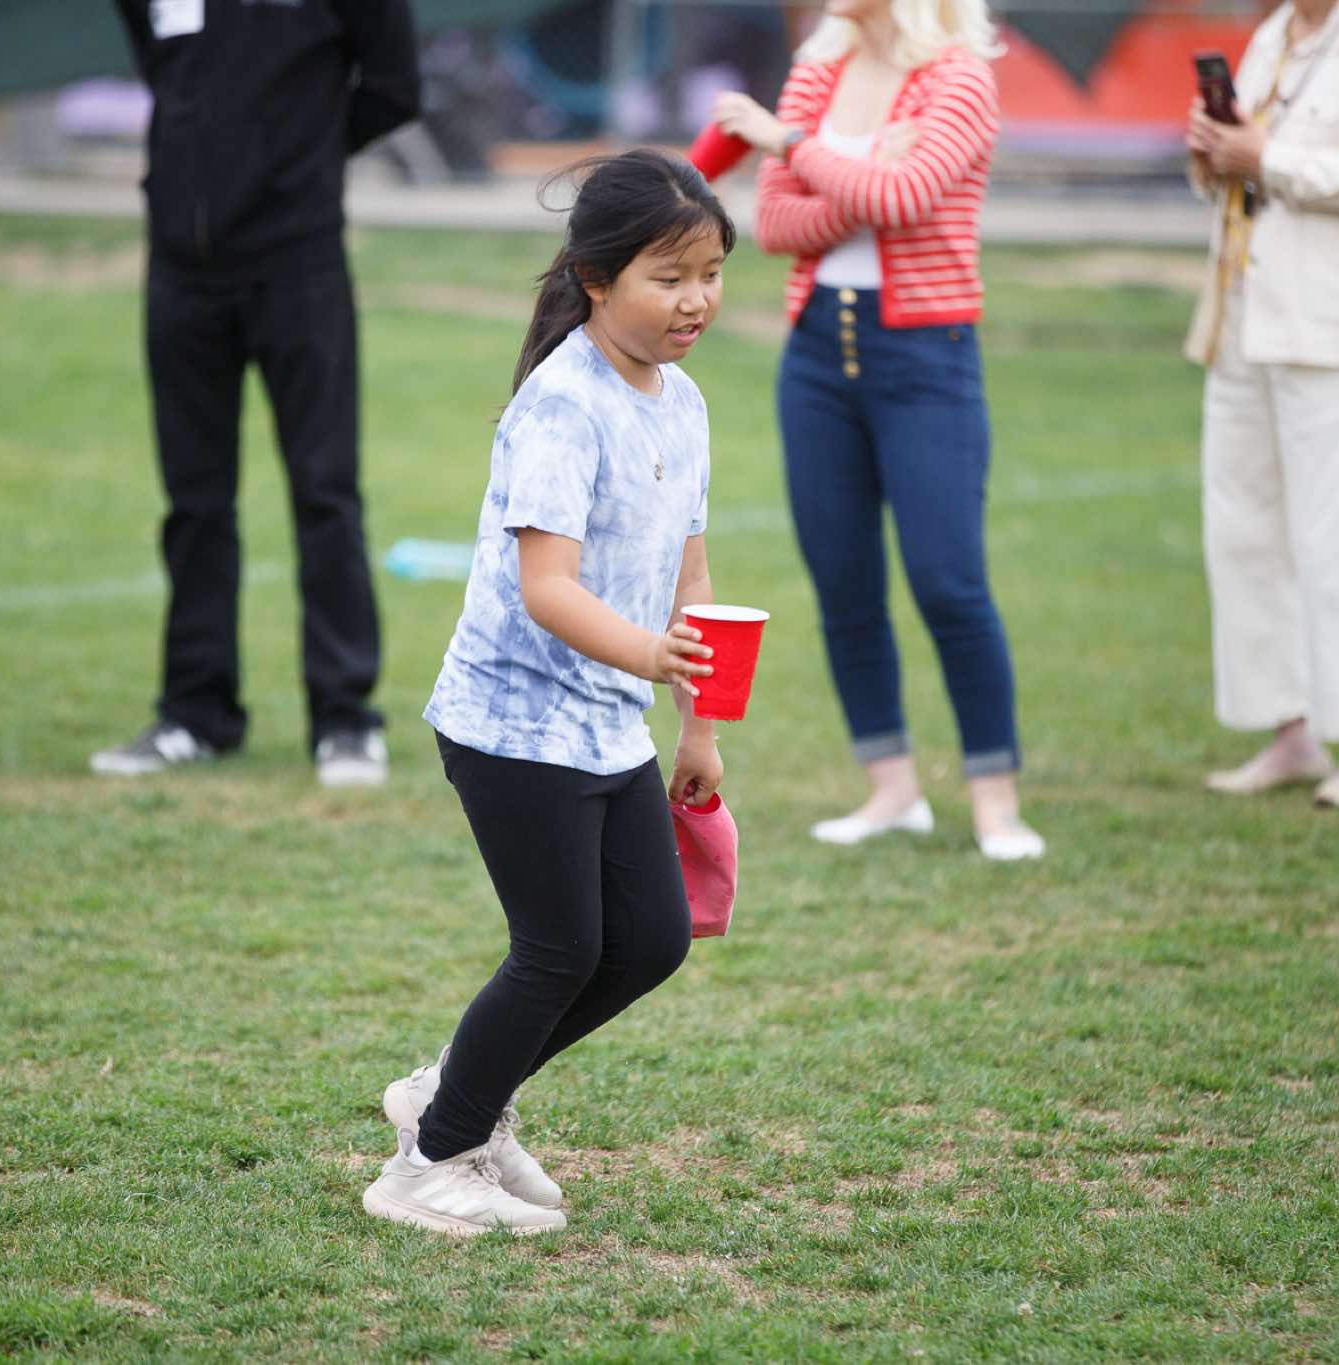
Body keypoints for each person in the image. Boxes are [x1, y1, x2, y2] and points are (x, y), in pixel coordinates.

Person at [362, 150, 730, 1236]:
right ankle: (428, 1163)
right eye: (669, 277)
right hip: (512, 722)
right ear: (595, 278)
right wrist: (650, 657)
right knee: (560, 947)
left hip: (607, 723)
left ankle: (455, 1095)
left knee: (651, 939)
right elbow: (547, 588)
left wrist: (699, 727)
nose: (696, 300)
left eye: (711, 274)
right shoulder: (563, 405)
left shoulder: (682, 401)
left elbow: (692, 579)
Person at [711, 0, 1044, 860]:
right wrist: (858, 178)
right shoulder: (817, 68)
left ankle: (996, 802)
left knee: (948, 583)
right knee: (842, 582)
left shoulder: (959, 77)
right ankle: (891, 789)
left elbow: (908, 195)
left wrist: (793, 147)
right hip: (816, 352)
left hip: (928, 356)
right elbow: (777, 225)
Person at [94, 0, 420, 786]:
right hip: (180, 270)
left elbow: (395, 88)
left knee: (325, 490)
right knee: (194, 502)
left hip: (298, 262)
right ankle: (196, 713)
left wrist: (293, 153)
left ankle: (344, 718)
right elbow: (163, 65)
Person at [1184, 0, 1339, 810]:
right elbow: (1245, 168)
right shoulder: (1272, 36)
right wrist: (1216, 151)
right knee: (1244, 536)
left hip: (1338, 331)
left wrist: (1269, 157)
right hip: (1241, 321)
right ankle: (1288, 732)